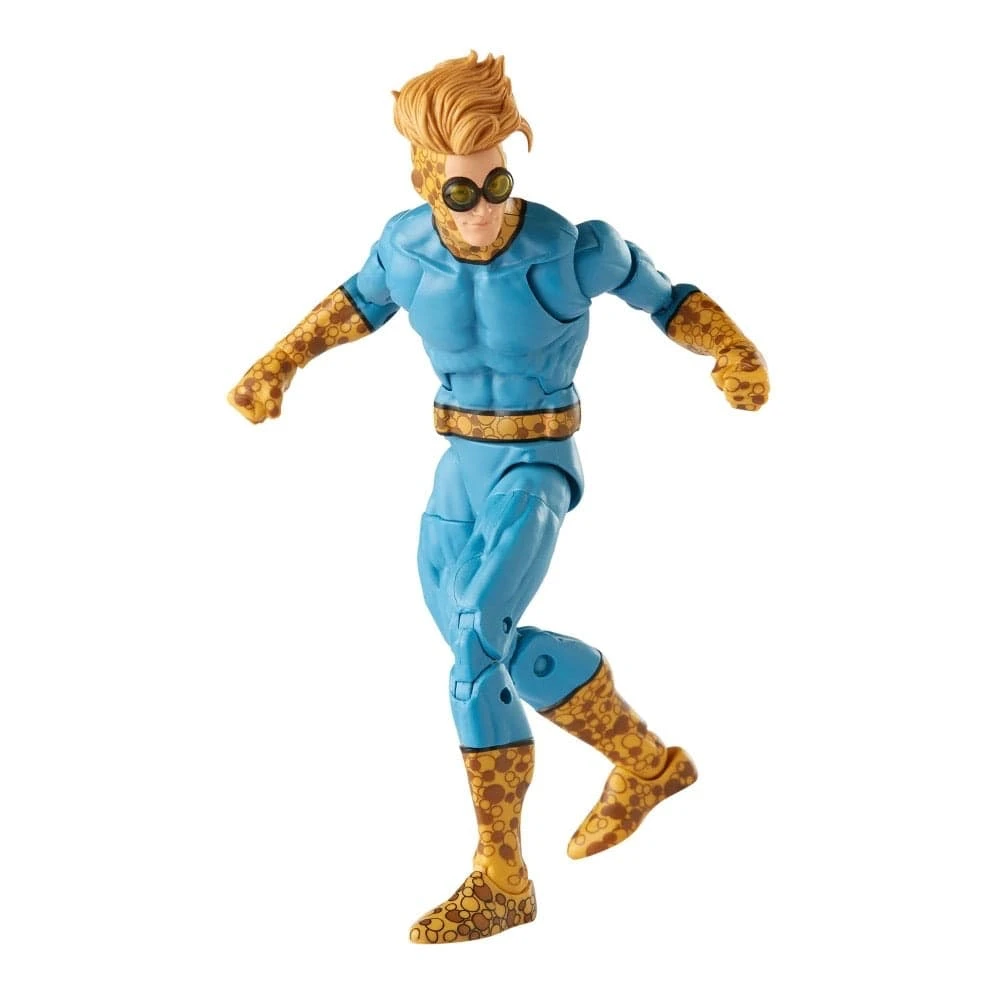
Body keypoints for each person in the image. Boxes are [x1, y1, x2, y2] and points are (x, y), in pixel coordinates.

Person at [228, 52, 769, 944]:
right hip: (458, 471)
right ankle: (647, 765)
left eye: (499, 183)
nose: (485, 210)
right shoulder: (404, 249)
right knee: (484, 658)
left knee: (477, 640)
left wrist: (733, 351)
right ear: (424, 181)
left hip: (535, 464)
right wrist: (277, 364)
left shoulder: (569, 250)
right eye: (462, 192)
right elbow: (354, 304)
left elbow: (666, 298)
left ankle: (502, 876)